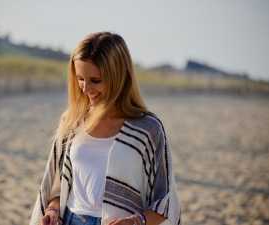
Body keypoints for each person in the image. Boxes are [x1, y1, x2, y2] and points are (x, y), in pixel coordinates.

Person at [29, 32, 181, 225]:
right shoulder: (73, 120)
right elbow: (60, 185)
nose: (85, 88)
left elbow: (166, 202)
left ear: (118, 77)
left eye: (95, 80)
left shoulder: (148, 128)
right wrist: (52, 209)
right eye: (80, 78)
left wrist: (136, 222)